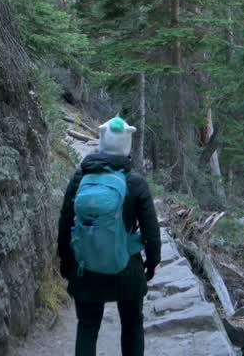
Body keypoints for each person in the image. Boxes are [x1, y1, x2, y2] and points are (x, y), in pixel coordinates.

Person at [57, 116, 161, 356]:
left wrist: (66, 260)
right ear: (127, 146)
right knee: (133, 325)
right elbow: (151, 231)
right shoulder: (135, 182)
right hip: (127, 269)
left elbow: (65, 223)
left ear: (102, 142)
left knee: (87, 327)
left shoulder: (80, 178)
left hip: (86, 269)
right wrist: (152, 263)